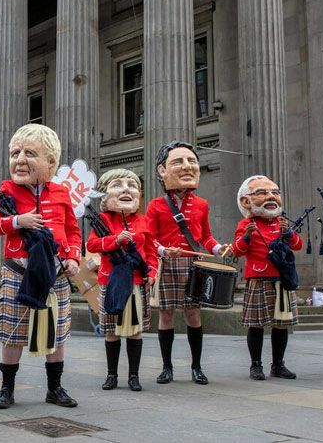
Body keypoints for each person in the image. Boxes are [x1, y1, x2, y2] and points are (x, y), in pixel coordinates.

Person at [0, 123, 81, 409]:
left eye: (30, 153)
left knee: (58, 330)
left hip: (56, 273)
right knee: (13, 330)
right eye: (15, 153)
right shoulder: (7, 190)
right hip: (19, 269)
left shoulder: (62, 193)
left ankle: (55, 388)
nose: (19, 159)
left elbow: (73, 231)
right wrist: (19, 221)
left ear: (50, 162)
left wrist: (73, 256)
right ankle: (7, 389)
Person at [144, 141, 229, 385]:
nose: (187, 167)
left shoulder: (201, 204)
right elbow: (149, 239)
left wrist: (217, 248)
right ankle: (167, 368)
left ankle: (196, 367)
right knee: (166, 315)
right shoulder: (155, 205)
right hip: (168, 264)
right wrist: (162, 250)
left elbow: (204, 237)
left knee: (193, 314)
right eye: (179, 162)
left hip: (193, 264)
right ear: (163, 171)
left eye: (192, 161)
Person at [86, 169, 157, 392]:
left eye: (132, 185)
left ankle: (134, 377)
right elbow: (92, 246)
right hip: (112, 281)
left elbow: (152, 251)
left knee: (135, 331)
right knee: (111, 330)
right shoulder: (103, 219)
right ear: (105, 197)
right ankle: (111, 375)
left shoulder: (144, 221)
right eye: (118, 184)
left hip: (137, 281)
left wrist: (152, 272)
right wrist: (114, 240)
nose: (126, 189)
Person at [232, 175, 300, 380]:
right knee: (257, 324)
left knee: (281, 323)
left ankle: (278, 364)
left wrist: (288, 234)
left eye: (275, 193)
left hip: (281, 279)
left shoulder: (282, 223)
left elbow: (298, 245)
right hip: (259, 278)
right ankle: (256, 365)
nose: (271, 197)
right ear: (246, 201)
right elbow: (236, 251)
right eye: (262, 193)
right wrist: (246, 237)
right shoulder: (246, 224)